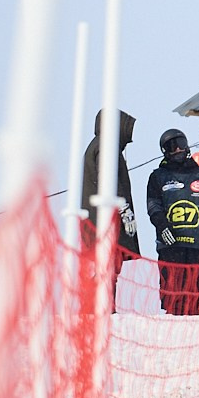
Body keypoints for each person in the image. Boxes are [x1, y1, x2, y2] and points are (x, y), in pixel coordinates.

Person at [146, 128, 199, 317]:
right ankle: (173, 329)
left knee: (194, 294)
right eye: (171, 146)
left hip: (197, 245)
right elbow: (153, 206)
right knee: (173, 295)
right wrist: (162, 226)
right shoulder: (158, 177)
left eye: (181, 144)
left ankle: (192, 329)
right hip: (171, 245)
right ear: (165, 151)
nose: (177, 149)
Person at [78, 110, 142, 304]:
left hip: (96, 220)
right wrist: (124, 209)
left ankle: (100, 304)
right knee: (106, 266)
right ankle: (102, 306)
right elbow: (108, 179)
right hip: (104, 221)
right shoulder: (106, 146)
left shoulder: (97, 146)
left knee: (102, 267)